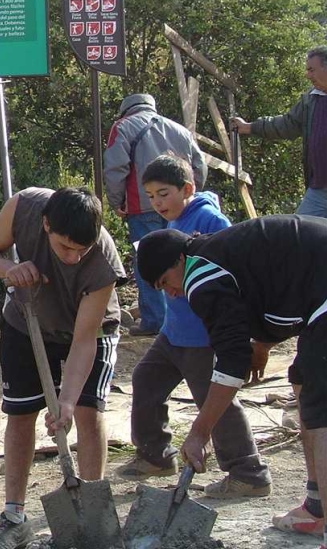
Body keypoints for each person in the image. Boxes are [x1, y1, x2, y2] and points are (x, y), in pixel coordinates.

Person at [137, 216, 327, 547]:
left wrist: (200, 432)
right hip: (317, 290)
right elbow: (272, 283)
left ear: (179, 259)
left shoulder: (201, 275)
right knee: (302, 379)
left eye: (166, 282)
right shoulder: (215, 254)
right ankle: (317, 507)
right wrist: (263, 344)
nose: (171, 293)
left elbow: (231, 362)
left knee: (321, 405)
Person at [0, 187, 125, 549]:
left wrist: (66, 402)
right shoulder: (24, 207)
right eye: (65, 247)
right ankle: (14, 517)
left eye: (81, 250)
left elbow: (84, 341)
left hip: (88, 330)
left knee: (87, 411)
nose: (73, 258)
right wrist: (11, 269)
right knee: (20, 413)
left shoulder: (103, 263)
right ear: (45, 225)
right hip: (26, 321)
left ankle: (92, 514)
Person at [117, 155, 271, 497]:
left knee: (216, 402)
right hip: (173, 332)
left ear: (187, 189)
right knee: (145, 380)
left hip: (204, 335)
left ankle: (248, 472)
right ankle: (156, 455)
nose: (158, 203)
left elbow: (231, 271)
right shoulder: (169, 223)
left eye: (164, 194)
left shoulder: (210, 220)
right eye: (151, 196)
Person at [104, 93, 206, 336]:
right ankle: (186, 319)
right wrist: (189, 197)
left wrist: (117, 201)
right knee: (182, 259)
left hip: (142, 208)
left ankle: (154, 321)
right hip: (180, 206)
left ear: (125, 110)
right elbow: (199, 165)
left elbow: (115, 167)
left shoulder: (123, 126)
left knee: (147, 261)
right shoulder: (179, 129)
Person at [232, 44, 327, 218]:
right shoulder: (311, 100)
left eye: (311, 70)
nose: (307, 75)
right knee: (301, 231)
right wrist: (250, 127)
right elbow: (287, 124)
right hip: (320, 189)